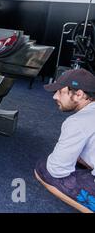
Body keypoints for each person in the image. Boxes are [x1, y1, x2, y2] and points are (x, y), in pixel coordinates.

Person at [35, 69, 95, 213]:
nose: (55, 96)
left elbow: (57, 170)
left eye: (60, 92)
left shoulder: (78, 122)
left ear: (79, 94)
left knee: (43, 170)